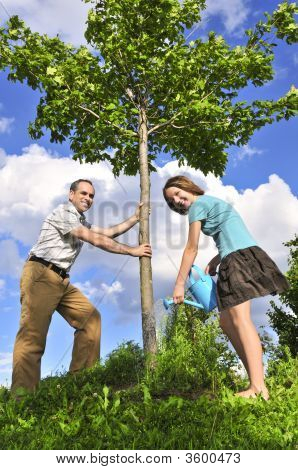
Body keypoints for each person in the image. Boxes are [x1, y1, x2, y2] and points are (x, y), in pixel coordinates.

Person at [12, 179, 152, 396]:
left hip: (61, 280)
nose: (88, 198)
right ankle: (21, 400)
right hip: (41, 274)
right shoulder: (64, 213)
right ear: (71, 194)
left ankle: (81, 384)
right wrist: (131, 250)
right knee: (33, 336)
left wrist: (134, 218)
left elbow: (105, 233)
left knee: (90, 319)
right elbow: (93, 239)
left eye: (91, 196)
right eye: (83, 193)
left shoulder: (80, 220)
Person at [163, 175, 289, 400]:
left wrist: (180, 284)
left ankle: (259, 388)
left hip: (237, 260)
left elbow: (191, 249)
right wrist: (217, 258)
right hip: (236, 256)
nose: (177, 201)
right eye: (172, 202)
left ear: (187, 187)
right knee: (226, 322)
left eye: (177, 194)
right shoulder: (212, 202)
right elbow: (234, 232)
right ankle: (255, 380)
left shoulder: (198, 205)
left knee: (241, 320)